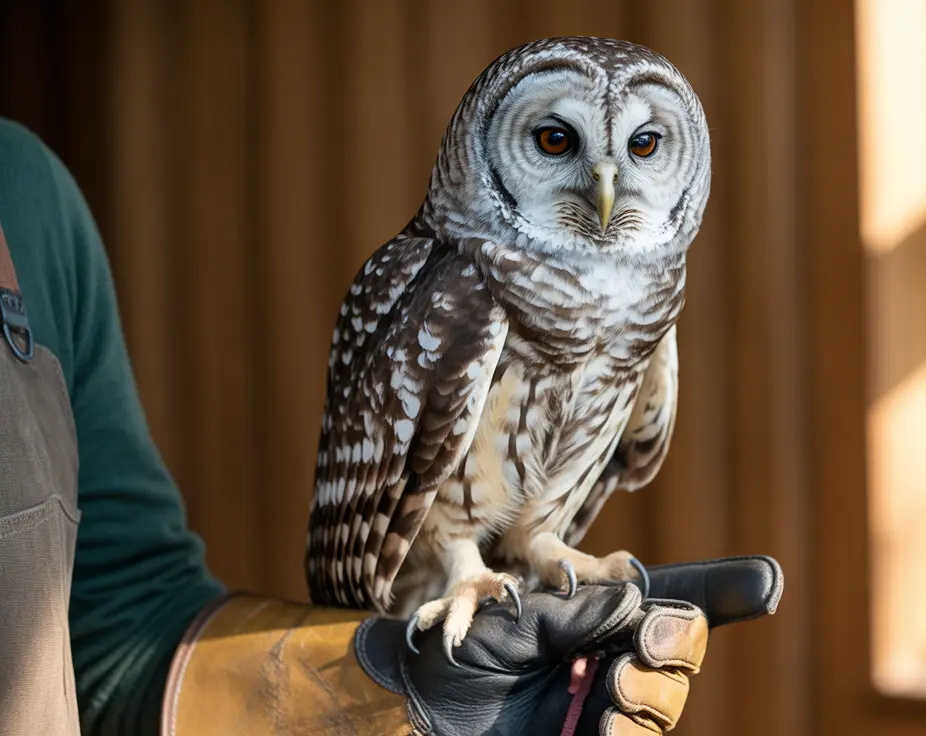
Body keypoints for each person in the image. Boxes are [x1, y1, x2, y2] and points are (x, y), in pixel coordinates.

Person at [0, 117, 782, 735]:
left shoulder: (23, 193)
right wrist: (449, 571)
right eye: (554, 141)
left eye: (646, 146)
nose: (604, 184)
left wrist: (378, 691)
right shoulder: (452, 284)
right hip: (430, 553)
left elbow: (112, 623)